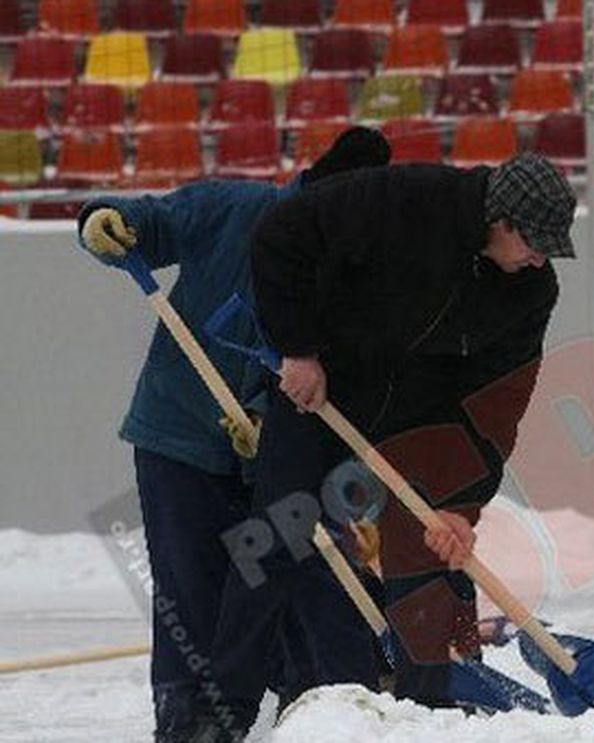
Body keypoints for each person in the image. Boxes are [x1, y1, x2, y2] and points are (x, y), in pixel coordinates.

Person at [203, 152, 576, 740]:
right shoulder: (406, 200)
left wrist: (462, 505)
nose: (540, 259)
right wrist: (298, 348)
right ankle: (221, 715)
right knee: (274, 535)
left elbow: (498, 403)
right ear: (501, 220)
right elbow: (282, 236)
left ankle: (429, 713)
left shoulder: (532, 290)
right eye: (534, 243)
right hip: (325, 386)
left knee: (429, 551)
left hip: (421, 418)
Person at [72, 128, 392, 743]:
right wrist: (104, 219)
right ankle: (186, 722)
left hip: (280, 454)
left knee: (297, 581)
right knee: (190, 589)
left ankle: (317, 717)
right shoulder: (232, 210)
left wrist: (270, 422)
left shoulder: (352, 265)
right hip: (180, 437)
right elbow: (152, 223)